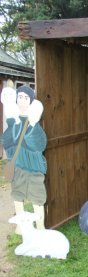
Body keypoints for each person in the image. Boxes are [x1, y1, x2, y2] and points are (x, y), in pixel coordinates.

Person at [1, 84, 47, 232]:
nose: (22, 100)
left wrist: (31, 127)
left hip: (33, 165)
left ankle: (40, 227)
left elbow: (40, 144)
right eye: (20, 97)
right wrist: (13, 125)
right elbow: (7, 141)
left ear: (31, 101)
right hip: (18, 164)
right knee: (17, 193)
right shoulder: (13, 120)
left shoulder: (33, 121)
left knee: (37, 195)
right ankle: (21, 227)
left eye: (26, 98)